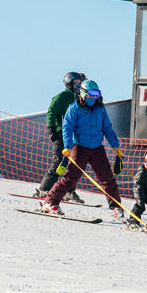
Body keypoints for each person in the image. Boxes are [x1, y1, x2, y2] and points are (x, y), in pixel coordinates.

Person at [40, 79, 125, 219]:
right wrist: (67, 147)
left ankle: (116, 206)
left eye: (96, 94)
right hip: (80, 147)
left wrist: (115, 146)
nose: (93, 98)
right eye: (91, 94)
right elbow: (67, 129)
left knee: (107, 178)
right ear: (83, 93)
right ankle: (50, 202)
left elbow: (107, 129)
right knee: (71, 177)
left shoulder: (100, 109)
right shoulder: (74, 109)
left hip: (97, 147)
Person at [33, 71, 85, 203]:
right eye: (76, 83)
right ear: (68, 84)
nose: (78, 86)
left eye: (80, 83)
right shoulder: (61, 97)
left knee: (74, 164)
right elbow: (51, 112)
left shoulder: (80, 98)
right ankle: (44, 189)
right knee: (58, 161)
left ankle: (69, 191)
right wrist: (52, 129)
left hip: (75, 137)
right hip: (61, 134)